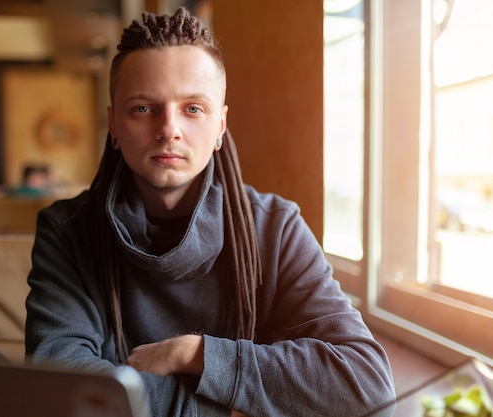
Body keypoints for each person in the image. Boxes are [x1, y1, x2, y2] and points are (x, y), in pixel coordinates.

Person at [25, 7, 395, 417]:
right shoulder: (66, 231)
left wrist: (194, 353)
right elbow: (61, 389)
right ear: (113, 125)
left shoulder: (276, 227)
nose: (169, 129)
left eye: (193, 108)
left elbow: (366, 385)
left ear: (220, 126)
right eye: (143, 108)